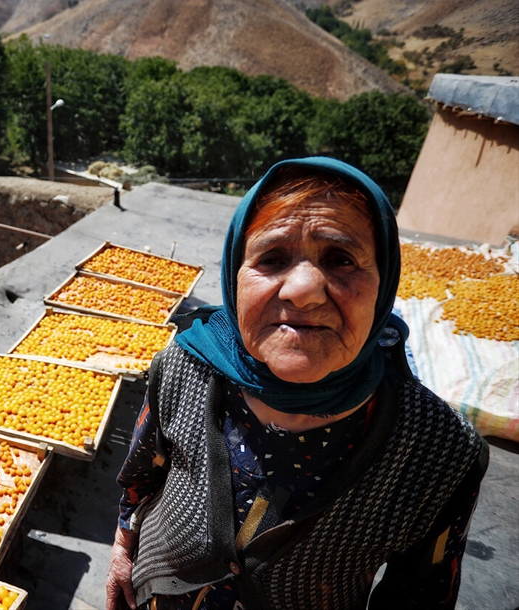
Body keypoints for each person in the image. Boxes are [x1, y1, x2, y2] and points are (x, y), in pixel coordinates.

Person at [106, 157, 488, 610]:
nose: (303, 289)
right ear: (234, 272)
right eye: (272, 258)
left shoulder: (440, 449)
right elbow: (140, 477)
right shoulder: (184, 367)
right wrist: (122, 551)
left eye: (341, 259)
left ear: (385, 284)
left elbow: (421, 595)